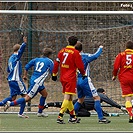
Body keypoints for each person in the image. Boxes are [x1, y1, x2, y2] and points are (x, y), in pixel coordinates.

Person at [4, 48, 54, 118]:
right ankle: (10, 104)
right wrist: (54, 76)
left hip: (34, 80)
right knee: (27, 98)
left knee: (44, 94)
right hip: (37, 82)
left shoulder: (37, 59)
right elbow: (53, 73)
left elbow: (27, 66)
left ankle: (40, 112)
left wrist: (25, 75)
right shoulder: (50, 61)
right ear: (49, 55)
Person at [73, 41, 110, 124]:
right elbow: (95, 56)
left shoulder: (73, 57)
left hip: (77, 80)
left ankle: (72, 118)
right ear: (82, 48)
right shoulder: (85, 56)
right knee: (97, 98)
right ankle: (101, 118)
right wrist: (100, 48)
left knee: (80, 100)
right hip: (85, 79)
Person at [52, 36, 86, 124]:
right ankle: (60, 116)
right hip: (71, 77)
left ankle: (73, 117)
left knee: (70, 98)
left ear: (68, 42)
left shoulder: (62, 51)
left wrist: (54, 74)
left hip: (63, 77)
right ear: (76, 43)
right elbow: (80, 65)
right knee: (67, 96)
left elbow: (56, 63)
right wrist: (83, 74)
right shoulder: (75, 53)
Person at [46, 88, 127, 117]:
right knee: (87, 114)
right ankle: (72, 113)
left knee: (65, 102)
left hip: (80, 102)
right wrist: (120, 107)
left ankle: (48, 105)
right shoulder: (99, 95)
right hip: (82, 105)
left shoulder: (94, 98)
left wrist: (110, 114)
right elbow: (110, 102)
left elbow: (97, 109)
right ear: (103, 92)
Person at [0, 36, 28, 118]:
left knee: (13, 97)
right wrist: (24, 44)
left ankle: (2, 103)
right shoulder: (16, 57)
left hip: (11, 80)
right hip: (16, 80)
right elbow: (21, 51)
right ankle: (21, 113)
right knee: (25, 96)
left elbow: (8, 69)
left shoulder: (10, 58)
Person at [112, 40, 133, 123]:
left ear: (126, 47)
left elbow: (116, 67)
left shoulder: (120, 55)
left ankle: (131, 115)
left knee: (128, 98)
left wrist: (114, 75)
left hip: (124, 79)